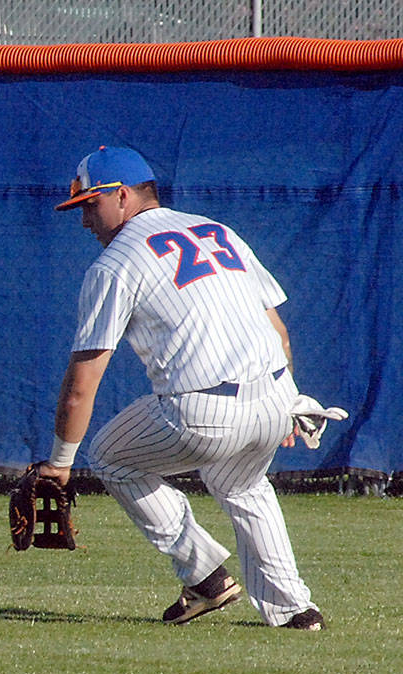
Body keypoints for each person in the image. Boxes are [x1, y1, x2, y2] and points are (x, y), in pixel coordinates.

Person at [39, 145, 323, 630]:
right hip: (276, 392)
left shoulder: (116, 263)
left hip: (203, 410)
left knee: (109, 456)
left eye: (90, 204)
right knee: (244, 485)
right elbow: (277, 329)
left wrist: (58, 464)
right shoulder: (218, 231)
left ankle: (206, 578)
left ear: (122, 196)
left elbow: (81, 384)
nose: (85, 219)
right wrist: (289, 401)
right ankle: (295, 609)